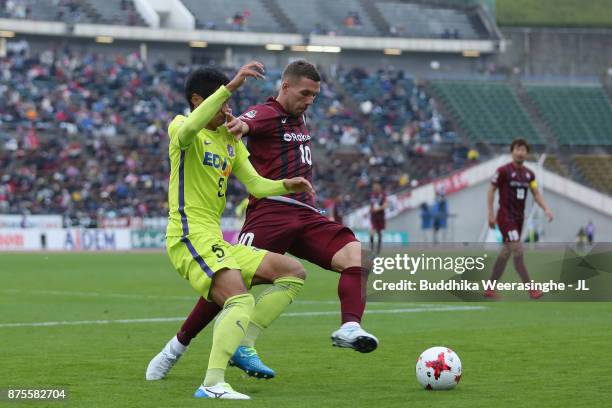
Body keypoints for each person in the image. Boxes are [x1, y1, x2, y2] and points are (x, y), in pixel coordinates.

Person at [147, 60, 378, 384]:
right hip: (269, 216)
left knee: (354, 256)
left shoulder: (293, 121)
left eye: (314, 95)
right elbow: (243, 122)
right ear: (285, 87)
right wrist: (237, 112)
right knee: (230, 285)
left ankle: (349, 325)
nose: (310, 100)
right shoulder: (262, 114)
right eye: (305, 93)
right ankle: (178, 348)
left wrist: (288, 183)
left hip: (304, 211)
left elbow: (253, 178)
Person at [156, 61, 313, 399]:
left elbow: (256, 185)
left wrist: (287, 184)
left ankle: (242, 341)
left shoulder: (230, 141)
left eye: (229, 101)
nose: (229, 109)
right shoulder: (182, 127)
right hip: (187, 235)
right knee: (239, 298)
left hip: (214, 238)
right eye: (221, 100)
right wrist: (235, 83)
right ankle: (212, 383)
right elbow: (188, 130)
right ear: (199, 101)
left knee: (292, 273)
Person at [485, 139, 554, 300]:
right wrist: (490, 214)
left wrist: (546, 209)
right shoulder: (503, 171)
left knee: (506, 252)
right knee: (517, 249)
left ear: (526, 153)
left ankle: (489, 288)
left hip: (518, 219)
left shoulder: (529, 175)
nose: (520, 152)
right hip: (505, 217)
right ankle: (531, 289)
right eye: (518, 149)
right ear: (512, 151)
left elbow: (536, 194)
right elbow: (491, 190)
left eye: (523, 150)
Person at [369, 182, 387, 255]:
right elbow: (371, 204)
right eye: (374, 188)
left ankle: (378, 251)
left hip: (380, 216)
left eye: (376, 188)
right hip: (373, 217)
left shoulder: (383, 195)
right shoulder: (372, 195)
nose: (375, 189)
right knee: (372, 232)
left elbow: (385, 205)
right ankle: (372, 250)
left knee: (379, 233)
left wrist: (377, 209)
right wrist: (370, 209)